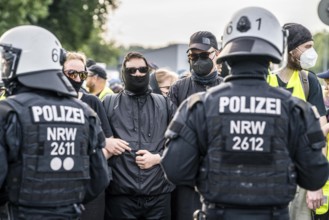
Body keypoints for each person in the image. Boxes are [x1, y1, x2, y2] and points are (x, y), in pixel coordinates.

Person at [161, 7, 329, 220]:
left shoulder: (197, 107)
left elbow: (175, 170)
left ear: (227, 56)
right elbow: (315, 176)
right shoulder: (296, 110)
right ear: (273, 54)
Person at [0, 25, 110, 219]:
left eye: (6, 62)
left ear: (24, 61)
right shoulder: (85, 112)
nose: (4, 68)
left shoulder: (8, 112)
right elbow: (99, 179)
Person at [102, 51, 175, 220]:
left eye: (142, 70)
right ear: (124, 74)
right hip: (120, 197)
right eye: (132, 70)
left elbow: (180, 143)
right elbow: (93, 138)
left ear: (148, 72)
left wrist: (158, 158)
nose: (138, 74)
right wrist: (106, 142)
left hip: (158, 195)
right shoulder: (108, 103)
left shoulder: (164, 103)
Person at [266, 23, 327, 220]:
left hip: (301, 177)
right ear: (291, 50)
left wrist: (315, 184)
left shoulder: (309, 82)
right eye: (307, 47)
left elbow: (319, 136)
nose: (312, 53)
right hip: (269, 178)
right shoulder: (266, 81)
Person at [167, 30, 223, 220]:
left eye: (204, 55)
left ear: (217, 54)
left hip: (220, 177)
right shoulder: (178, 88)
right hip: (188, 180)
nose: (198, 60)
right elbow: (172, 133)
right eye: (192, 56)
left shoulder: (226, 87)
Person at [61, 51, 112, 220]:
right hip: (59, 185)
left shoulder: (92, 102)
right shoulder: (50, 102)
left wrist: (86, 162)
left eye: (82, 74)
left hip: (90, 184)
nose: (77, 78)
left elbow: (109, 144)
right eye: (71, 73)